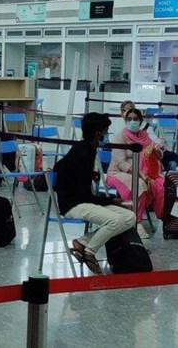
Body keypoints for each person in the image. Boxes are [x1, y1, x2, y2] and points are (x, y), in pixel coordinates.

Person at [54, 113, 136, 275]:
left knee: (130, 217)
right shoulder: (83, 153)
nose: (106, 136)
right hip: (73, 204)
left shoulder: (85, 148)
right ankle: (90, 252)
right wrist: (112, 201)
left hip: (82, 199)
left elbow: (60, 167)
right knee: (115, 220)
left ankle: (81, 243)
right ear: (98, 134)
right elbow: (85, 196)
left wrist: (88, 175)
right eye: (105, 132)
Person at [106, 108, 165, 239]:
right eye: (129, 119)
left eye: (135, 119)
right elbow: (121, 163)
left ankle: (165, 218)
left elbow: (159, 156)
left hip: (143, 172)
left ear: (140, 121)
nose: (132, 122)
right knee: (139, 184)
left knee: (163, 183)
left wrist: (155, 150)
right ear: (125, 121)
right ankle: (136, 222)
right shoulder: (119, 136)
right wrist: (142, 175)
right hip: (119, 172)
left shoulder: (144, 136)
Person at [120, 100, 178, 171]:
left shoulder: (144, 126)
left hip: (151, 153)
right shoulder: (121, 131)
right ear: (122, 114)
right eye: (127, 109)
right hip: (140, 157)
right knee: (172, 160)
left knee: (173, 158)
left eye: (132, 109)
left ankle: (167, 171)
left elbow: (155, 141)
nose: (130, 112)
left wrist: (158, 145)